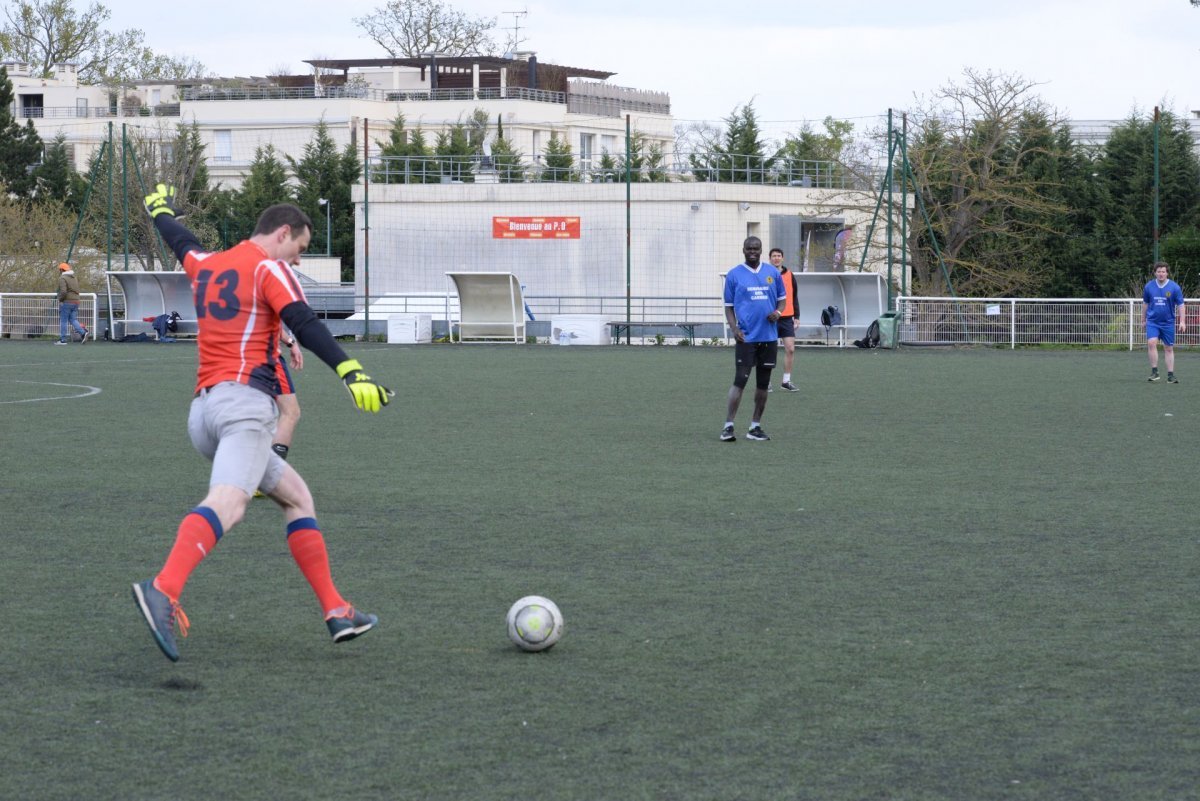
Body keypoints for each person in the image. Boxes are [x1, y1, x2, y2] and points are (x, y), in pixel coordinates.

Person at [131, 184, 394, 662]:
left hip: (205, 413)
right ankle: (163, 589)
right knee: (229, 505)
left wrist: (160, 210)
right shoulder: (269, 267)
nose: (297, 262)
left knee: (297, 497)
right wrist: (351, 371)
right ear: (282, 232)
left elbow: (180, 241)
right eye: (299, 250)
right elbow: (306, 321)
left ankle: (336, 609)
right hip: (246, 409)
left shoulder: (208, 264)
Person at [720, 236, 786, 442]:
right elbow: (729, 307)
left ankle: (755, 427)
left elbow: (782, 302)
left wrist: (777, 312)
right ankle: (728, 426)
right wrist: (734, 328)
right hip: (746, 338)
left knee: (763, 384)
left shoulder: (773, 273)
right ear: (743, 249)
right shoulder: (734, 275)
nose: (752, 251)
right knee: (740, 381)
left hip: (768, 337)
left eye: (756, 248)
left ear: (760, 250)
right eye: (749, 248)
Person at [1143, 261, 1186, 383]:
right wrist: (1143, 320)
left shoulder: (1174, 287)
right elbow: (1145, 304)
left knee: (1168, 348)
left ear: (1167, 273)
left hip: (1168, 323)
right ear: (1155, 273)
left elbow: (1181, 305)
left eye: (1163, 271)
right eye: (1158, 271)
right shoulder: (1149, 286)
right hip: (1152, 322)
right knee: (1151, 343)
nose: (1161, 274)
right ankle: (1154, 372)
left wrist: (1182, 321)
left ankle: (1170, 375)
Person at [768, 247, 800, 392]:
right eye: (773, 256)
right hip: (770, 318)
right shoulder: (765, 274)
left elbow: (794, 296)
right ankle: (766, 382)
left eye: (778, 255)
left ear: (783, 258)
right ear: (770, 259)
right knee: (769, 351)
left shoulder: (790, 275)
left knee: (790, 349)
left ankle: (786, 381)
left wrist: (797, 316)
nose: (776, 258)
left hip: (787, 318)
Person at [55, 262, 89, 344]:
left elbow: (63, 291)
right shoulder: (74, 277)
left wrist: (60, 299)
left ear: (61, 270)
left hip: (67, 301)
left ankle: (62, 340)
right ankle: (83, 333)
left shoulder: (62, 278)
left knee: (63, 321)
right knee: (73, 319)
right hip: (76, 301)